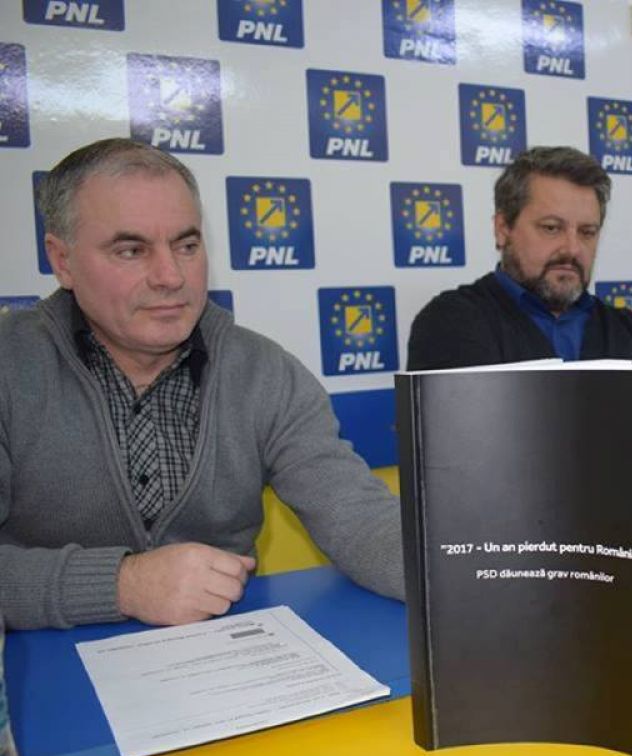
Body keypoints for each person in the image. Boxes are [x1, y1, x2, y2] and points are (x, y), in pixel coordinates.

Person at [0, 138, 404, 630]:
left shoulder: (265, 372)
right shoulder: (10, 367)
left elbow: (359, 519)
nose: (171, 276)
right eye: (131, 250)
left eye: (186, 246)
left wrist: (470, 576)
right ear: (62, 261)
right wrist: (122, 584)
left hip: (229, 660)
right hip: (41, 665)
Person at [407, 146, 632, 472]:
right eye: (551, 228)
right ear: (503, 229)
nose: (572, 248)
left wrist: (547, 435)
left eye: (587, 232)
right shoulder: (451, 322)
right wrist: (623, 430)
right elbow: (465, 452)